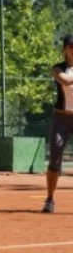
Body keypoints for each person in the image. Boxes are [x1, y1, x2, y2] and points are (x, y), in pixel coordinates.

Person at [43, 34, 73, 213]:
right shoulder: (57, 68)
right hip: (61, 117)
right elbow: (66, 81)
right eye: (71, 46)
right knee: (55, 159)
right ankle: (50, 199)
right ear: (65, 49)